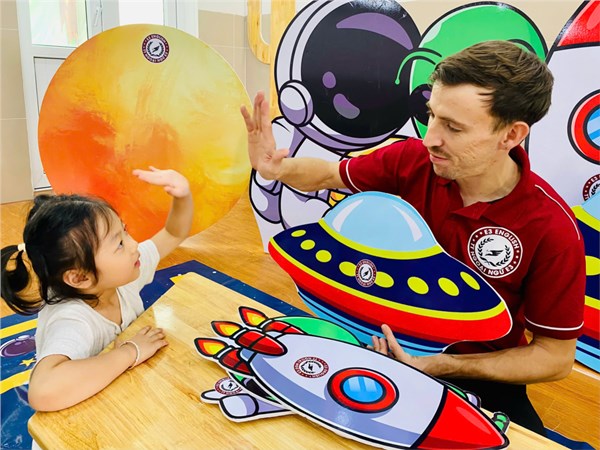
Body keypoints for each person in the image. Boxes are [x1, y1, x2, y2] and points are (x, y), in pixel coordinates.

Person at [241, 40, 586, 435]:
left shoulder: (551, 228)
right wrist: (276, 169)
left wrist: (439, 365)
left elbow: (554, 357)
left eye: (453, 127)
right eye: (432, 115)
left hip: (474, 376)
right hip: (372, 346)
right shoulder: (412, 160)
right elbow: (329, 174)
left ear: (511, 135)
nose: (430, 138)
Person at [0, 167, 194, 412]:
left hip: (120, 395)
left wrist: (182, 196)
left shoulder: (118, 276)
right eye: (119, 243)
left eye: (125, 231)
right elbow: (43, 392)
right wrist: (130, 352)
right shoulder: (72, 319)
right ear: (80, 277)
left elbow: (174, 233)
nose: (135, 245)